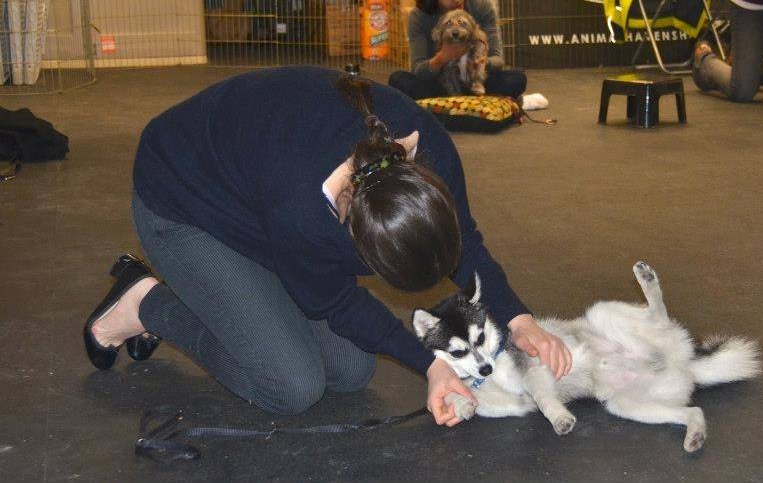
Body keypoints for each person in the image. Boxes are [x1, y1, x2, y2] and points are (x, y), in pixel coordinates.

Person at [82, 66, 571, 426]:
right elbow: (336, 301)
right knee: (290, 385)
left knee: (349, 370)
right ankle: (144, 302)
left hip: (251, 189)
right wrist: (432, 365)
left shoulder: (432, 153)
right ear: (354, 235)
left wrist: (519, 319)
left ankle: (248, 294)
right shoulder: (302, 208)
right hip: (181, 199)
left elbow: (464, 244)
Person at [389, 0, 536, 104]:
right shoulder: (418, 16)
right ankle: (481, 103)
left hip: (477, 80)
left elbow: (498, 59)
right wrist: (442, 58)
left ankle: (446, 106)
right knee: (398, 80)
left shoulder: (480, 4)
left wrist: (482, 63)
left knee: (516, 78)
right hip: (440, 81)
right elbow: (418, 70)